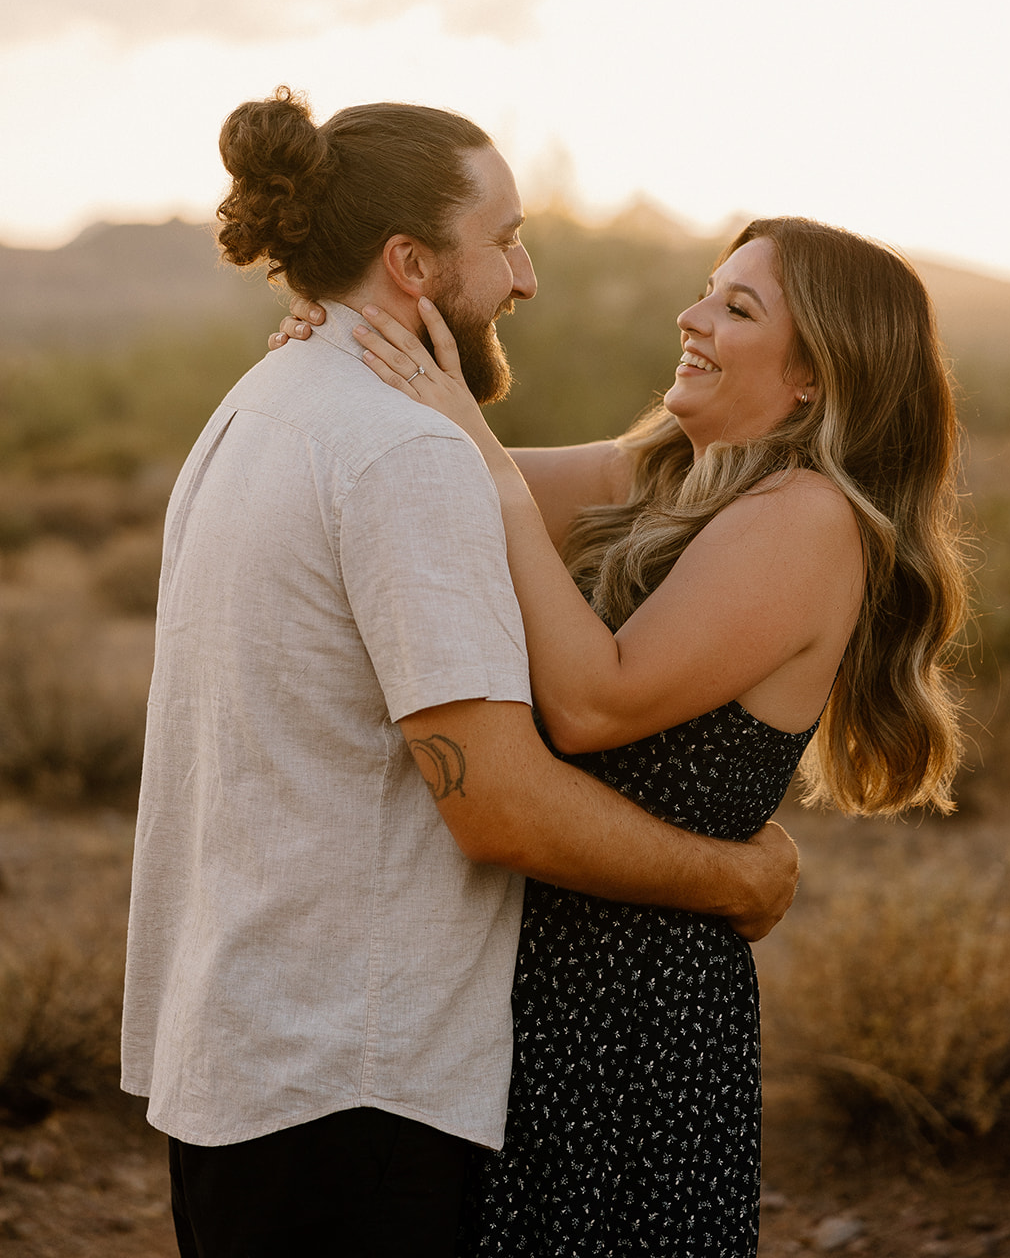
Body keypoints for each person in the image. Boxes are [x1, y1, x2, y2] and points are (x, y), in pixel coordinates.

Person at [120, 87, 800, 1258]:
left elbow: (598, 482)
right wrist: (733, 880)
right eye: (504, 240)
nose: (526, 277)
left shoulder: (262, 406)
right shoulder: (400, 453)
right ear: (412, 265)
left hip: (240, 1056)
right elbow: (492, 802)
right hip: (357, 1084)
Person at [280, 212, 968, 1255]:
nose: (689, 316)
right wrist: (339, 347)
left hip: (636, 1014)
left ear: (814, 378)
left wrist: (488, 465)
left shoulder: (806, 519)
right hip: (535, 985)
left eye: (735, 307)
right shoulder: (658, 478)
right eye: (705, 288)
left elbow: (593, 702)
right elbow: (436, 475)